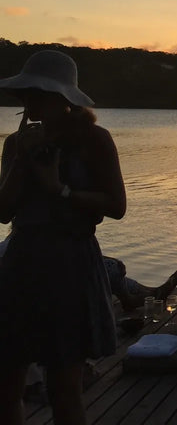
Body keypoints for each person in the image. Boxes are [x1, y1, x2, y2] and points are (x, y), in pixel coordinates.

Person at [0, 50, 127, 425]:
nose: (30, 102)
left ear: (64, 99)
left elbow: (116, 206)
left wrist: (60, 189)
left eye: (39, 93)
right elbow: (4, 211)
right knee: (7, 384)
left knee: (64, 387)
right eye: (26, 94)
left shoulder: (94, 140)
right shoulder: (14, 144)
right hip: (22, 260)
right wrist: (23, 161)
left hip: (71, 261)